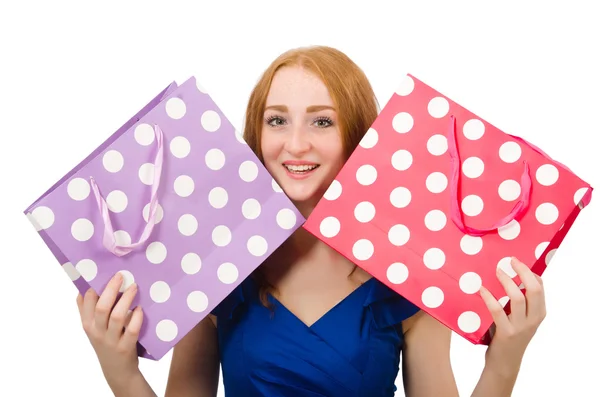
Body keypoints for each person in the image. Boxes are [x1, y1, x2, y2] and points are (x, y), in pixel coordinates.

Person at [76, 45, 547, 397]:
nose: (294, 144)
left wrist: (504, 363)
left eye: (322, 121)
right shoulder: (214, 264)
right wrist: (119, 369)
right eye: (276, 120)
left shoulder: (408, 271)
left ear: (359, 135)